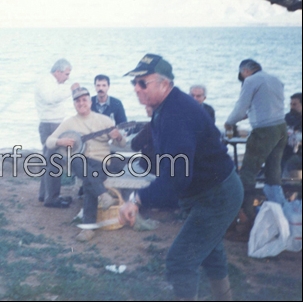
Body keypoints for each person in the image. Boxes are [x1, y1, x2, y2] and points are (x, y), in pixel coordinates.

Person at [119, 54, 243, 301]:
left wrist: (137, 199)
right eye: (134, 83)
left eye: (143, 83)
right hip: (206, 192)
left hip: (217, 195)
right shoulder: (165, 107)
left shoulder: (176, 114)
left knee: (180, 261)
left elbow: (177, 178)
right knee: (211, 253)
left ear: (164, 83)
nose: (136, 88)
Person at [46, 87, 126, 242]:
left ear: (90, 102)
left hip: (101, 162)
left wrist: (117, 137)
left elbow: (122, 144)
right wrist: (60, 141)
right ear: (74, 104)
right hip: (81, 163)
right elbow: (49, 141)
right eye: (77, 101)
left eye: (84, 100)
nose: (81, 103)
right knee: (76, 160)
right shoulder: (69, 122)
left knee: (89, 181)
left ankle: (88, 228)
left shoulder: (104, 120)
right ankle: (103, 196)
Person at [224, 59, 287, 236]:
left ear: (245, 70)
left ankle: (246, 219)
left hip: (264, 130)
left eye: (241, 76)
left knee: (248, 173)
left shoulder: (251, 81)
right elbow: (266, 105)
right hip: (281, 127)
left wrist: (229, 122)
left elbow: (241, 106)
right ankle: (280, 216)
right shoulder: (275, 79)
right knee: (273, 173)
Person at [34, 58, 79, 208]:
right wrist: (70, 90)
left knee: (50, 160)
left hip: (53, 124)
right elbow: (50, 98)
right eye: (66, 74)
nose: (67, 78)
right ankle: (51, 198)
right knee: (54, 161)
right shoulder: (46, 82)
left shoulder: (51, 82)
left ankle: (45, 194)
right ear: (58, 72)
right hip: (50, 125)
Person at [282, 92, 302, 175]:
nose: (292, 107)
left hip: (298, 153)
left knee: (291, 163)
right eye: (291, 104)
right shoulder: (287, 117)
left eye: (295, 104)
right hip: (288, 151)